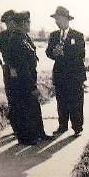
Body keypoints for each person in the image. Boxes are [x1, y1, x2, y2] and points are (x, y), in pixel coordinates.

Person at [6, 11, 53, 145]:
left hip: (28, 79)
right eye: (28, 22)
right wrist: (32, 86)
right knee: (24, 110)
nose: (30, 24)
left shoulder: (24, 37)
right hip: (22, 83)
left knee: (34, 107)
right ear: (23, 23)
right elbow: (22, 68)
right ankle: (26, 138)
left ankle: (40, 134)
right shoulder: (16, 39)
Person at [46, 6, 86, 137]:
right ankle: (62, 126)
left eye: (58, 19)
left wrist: (64, 52)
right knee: (61, 102)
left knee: (76, 102)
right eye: (55, 19)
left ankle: (77, 127)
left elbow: (81, 54)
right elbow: (48, 52)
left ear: (65, 19)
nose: (56, 21)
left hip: (75, 75)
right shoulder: (53, 35)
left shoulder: (78, 35)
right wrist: (53, 52)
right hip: (60, 75)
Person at [0, 10, 19, 134]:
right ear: (6, 22)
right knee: (12, 98)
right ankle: (15, 128)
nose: (11, 24)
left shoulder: (21, 35)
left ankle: (24, 126)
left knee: (23, 99)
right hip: (8, 72)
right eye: (8, 22)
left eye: (13, 21)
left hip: (23, 72)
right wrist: (2, 63)